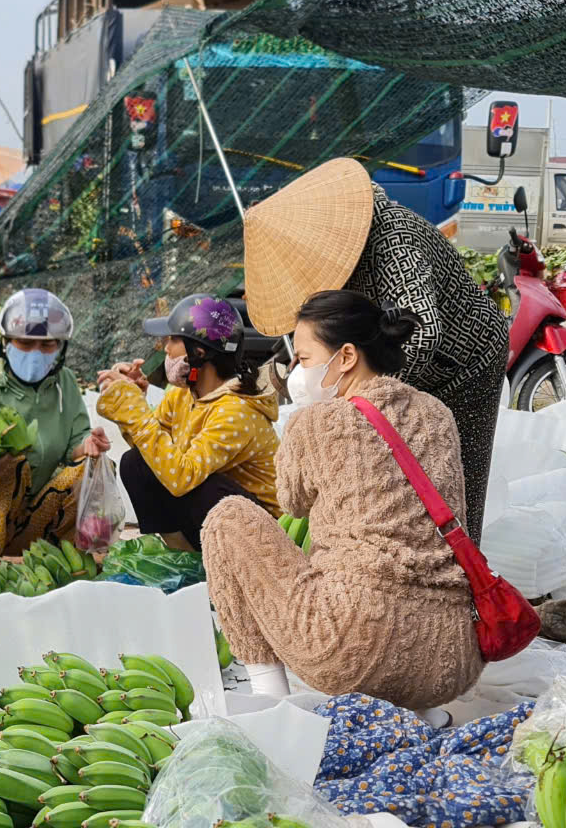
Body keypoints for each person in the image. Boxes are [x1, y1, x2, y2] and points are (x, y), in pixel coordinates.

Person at [203, 290, 481, 709]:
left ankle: (271, 702)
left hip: (352, 646)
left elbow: (292, 502)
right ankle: (418, 712)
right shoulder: (438, 413)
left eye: (304, 359)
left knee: (226, 519)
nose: (295, 371)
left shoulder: (317, 419)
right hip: (453, 658)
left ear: (346, 356)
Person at [241, 157, 507, 541]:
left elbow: (423, 332)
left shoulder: (393, 234)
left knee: (450, 483)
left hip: (463, 363)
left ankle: (460, 574)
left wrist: (361, 405)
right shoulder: (333, 254)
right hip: (386, 363)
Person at [88, 293, 279, 550]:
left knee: (202, 488)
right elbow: (150, 448)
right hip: (217, 521)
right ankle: (184, 555)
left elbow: (181, 477)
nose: (166, 348)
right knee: (137, 463)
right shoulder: (183, 393)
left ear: (197, 352)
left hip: (265, 534)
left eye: (173, 340)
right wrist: (136, 400)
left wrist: (132, 406)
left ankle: (224, 563)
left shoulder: (236, 411)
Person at [0, 287, 99, 557]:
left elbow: (75, 441)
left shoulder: (65, 383)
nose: (36, 353)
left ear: (61, 347)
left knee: (93, 468)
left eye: (47, 344)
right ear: (6, 343)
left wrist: (88, 445)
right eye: (25, 343)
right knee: (11, 462)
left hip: (34, 517)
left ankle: (62, 555)